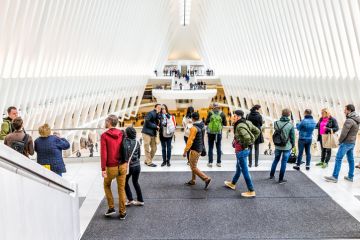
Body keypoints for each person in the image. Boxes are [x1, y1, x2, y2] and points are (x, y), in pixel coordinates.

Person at [224, 110, 260, 197]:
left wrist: (244, 145)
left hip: (241, 151)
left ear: (239, 116)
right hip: (243, 150)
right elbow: (257, 131)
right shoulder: (247, 122)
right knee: (238, 168)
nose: (233, 117)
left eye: (235, 116)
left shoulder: (240, 126)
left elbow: (247, 138)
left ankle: (251, 190)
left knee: (245, 171)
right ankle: (233, 183)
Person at [324, 104, 360, 183]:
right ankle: (350, 176)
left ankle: (335, 176)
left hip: (346, 143)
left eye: (345, 109)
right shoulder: (356, 119)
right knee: (351, 160)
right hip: (352, 142)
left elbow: (344, 133)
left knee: (338, 158)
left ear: (349, 110)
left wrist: (339, 141)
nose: (344, 111)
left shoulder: (349, 120)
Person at [101, 115, 127, 220]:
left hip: (111, 167)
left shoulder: (104, 135)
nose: (105, 122)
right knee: (121, 189)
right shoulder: (122, 133)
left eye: (106, 120)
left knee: (107, 185)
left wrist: (103, 169)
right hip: (122, 165)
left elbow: (104, 154)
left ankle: (111, 208)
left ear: (110, 122)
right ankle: (122, 212)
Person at [183, 112, 212, 189]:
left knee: (193, 167)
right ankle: (193, 180)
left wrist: (185, 151)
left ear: (192, 118)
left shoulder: (193, 128)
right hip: (200, 148)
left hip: (194, 149)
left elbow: (190, 141)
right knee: (193, 165)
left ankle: (206, 178)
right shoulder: (202, 124)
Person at [269, 109, 295, 184]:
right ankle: (280, 179)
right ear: (289, 115)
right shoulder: (290, 125)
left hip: (277, 145)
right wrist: (293, 145)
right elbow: (292, 137)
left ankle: (271, 175)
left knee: (276, 160)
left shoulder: (276, 123)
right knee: (284, 162)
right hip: (287, 146)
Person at [122, 127, 144, 206]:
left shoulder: (125, 142)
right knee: (135, 182)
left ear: (127, 134)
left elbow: (124, 155)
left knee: (125, 182)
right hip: (137, 165)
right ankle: (140, 200)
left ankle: (130, 199)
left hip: (129, 166)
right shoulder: (137, 142)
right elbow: (139, 155)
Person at [205, 102, 227, 167]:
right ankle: (219, 162)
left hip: (210, 133)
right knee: (218, 147)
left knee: (210, 147)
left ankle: (210, 162)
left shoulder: (210, 113)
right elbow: (225, 123)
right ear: (219, 107)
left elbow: (206, 122)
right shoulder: (222, 113)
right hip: (218, 133)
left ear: (213, 107)